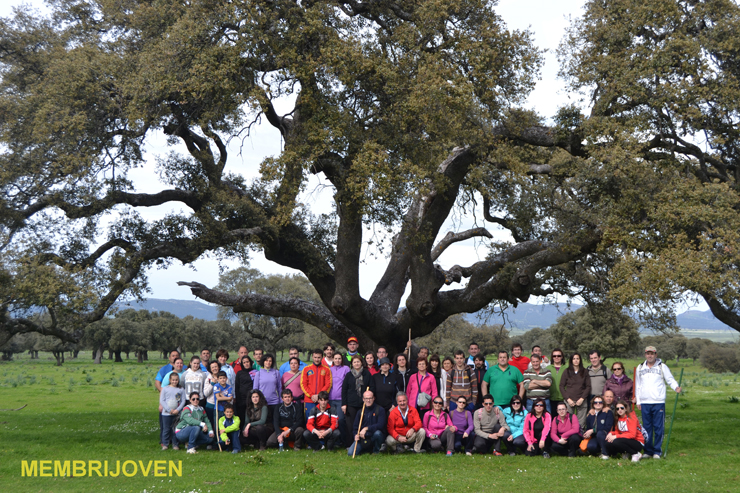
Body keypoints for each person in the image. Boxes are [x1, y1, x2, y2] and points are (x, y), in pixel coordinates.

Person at [635, 345, 681, 459]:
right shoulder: (640, 368)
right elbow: (638, 385)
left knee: (658, 427)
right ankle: (648, 451)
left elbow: (669, 379)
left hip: (658, 401)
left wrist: (676, 387)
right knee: (647, 428)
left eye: (652, 353)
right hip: (645, 402)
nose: (650, 355)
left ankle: (657, 451)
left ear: (656, 355)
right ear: (645, 355)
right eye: (648, 353)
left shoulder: (662, 367)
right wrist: (638, 401)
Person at [343, 354, 375, 446]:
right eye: (354, 362)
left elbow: (372, 386)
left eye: (358, 362)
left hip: (364, 403)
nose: (356, 364)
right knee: (351, 425)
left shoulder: (367, 374)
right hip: (351, 404)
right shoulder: (349, 375)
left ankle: (364, 443)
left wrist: (368, 398)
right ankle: (351, 444)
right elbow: (344, 390)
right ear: (352, 364)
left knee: (364, 423)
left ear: (361, 363)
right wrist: (344, 404)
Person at [347, 390, 387, 456]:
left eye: (370, 398)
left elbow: (381, 425)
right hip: (363, 438)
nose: (368, 400)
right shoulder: (360, 412)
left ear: (374, 398)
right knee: (350, 453)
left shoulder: (380, 410)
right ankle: (366, 449)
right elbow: (355, 427)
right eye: (366, 398)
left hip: (373, 436)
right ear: (363, 399)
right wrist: (356, 435)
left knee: (378, 433)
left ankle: (376, 451)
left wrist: (366, 428)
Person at [560, 352, 591, 429]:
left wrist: (582, 398)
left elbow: (588, 386)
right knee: (568, 422)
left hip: (581, 400)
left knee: (581, 424)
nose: (576, 360)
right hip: (569, 400)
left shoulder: (584, 371)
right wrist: (568, 399)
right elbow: (561, 386)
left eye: (577, 358)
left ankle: (580, 438)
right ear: (571, 360)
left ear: (580, 360)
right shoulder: (566, 371)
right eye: (574, 359)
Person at [301, 348, 333, 417]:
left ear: (322, 357)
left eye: (319, 357)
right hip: (309, 400)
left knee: (322, 420)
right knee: (309, 419)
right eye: (315, 357)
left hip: (322, 400)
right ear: (312, 357)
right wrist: (311, 395)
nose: (317, 359)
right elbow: (303, 384)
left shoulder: (326, 369)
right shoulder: (306, 369)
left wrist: (319, 396)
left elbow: (328, 384)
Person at [160, 372, 186, 450]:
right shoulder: (165, 389)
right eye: (173, 380)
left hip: (177, 413)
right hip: (166, 413)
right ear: (170, 380)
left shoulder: (180, 389)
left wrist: (177, 410)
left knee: (175, 429)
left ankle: (175, 444)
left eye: (176, 380)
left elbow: (183, 401)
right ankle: (165, 444)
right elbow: (162, 400)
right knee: (166, 429)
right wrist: (169, 410)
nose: (175, 382)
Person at [329, 352, 349, 446]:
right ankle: (334, 441)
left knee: (341, 420)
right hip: (330, 399)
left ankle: (344, 441)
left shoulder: (346, 368)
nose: (337, 360)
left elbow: (348, 384)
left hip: (341, 399)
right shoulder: (329, 369)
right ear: (333, 359)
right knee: (332, 420)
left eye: (339, 358)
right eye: (335, 358)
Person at [234, 355, 254, 428]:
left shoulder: (255, 372)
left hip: (253, 399)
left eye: (247, 362)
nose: (246, 364)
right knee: (242, 418)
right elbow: (237, 386)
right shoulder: (239, 373)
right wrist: (238, 400)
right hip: (242, 400)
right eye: (244, 362)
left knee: (252, 418)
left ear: (250, 362)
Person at [202, 361, 221, 432]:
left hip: (221, 404)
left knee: (220, 423)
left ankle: (220, 439)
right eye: (212, 367)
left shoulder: (223, 377)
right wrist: (212, 384)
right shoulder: (208, 379)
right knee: (211, 423)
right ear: (210, 369)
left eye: (216, 366)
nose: (215, 368)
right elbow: (206, 393)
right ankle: (211, 439)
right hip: (211, 404)